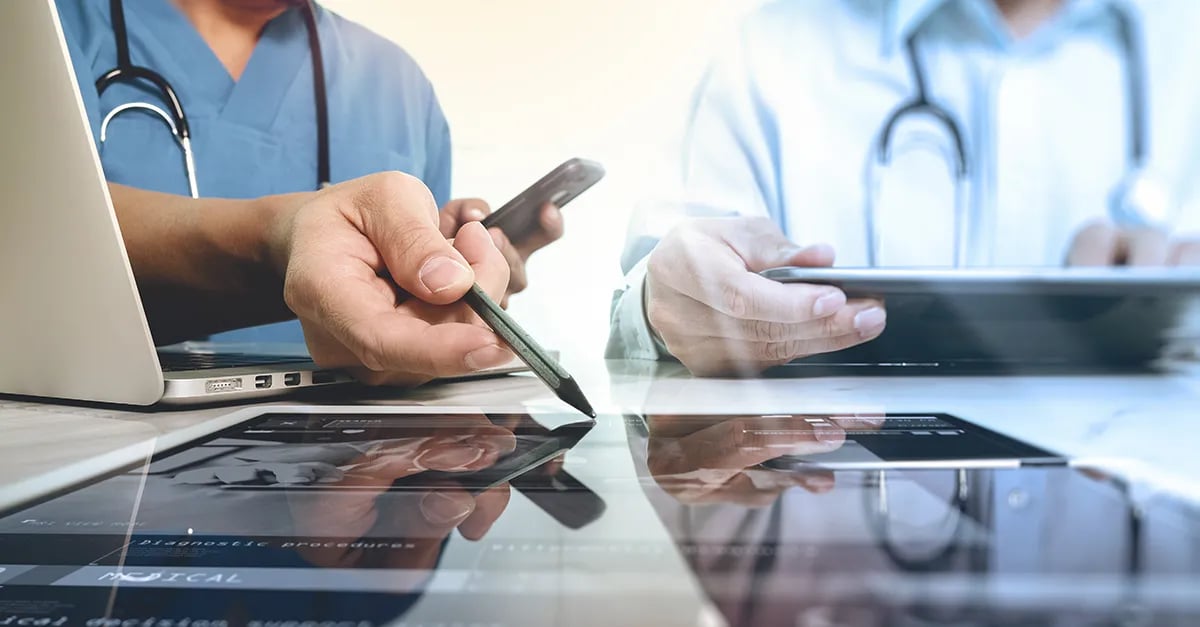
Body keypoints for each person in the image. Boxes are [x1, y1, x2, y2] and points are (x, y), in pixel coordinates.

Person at [609, 0, 1200, 376]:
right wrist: (665, 312)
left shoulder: (1181, 51)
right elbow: (646, 309)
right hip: (825, 504)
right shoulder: (772, 50)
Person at [57, 0, 564, 385]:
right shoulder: (52, 25)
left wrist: (454, 284)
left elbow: (417, 313)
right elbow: (34, 233)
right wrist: (281, 238)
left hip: (349, 462)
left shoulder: (397, 83)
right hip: (105, 444)